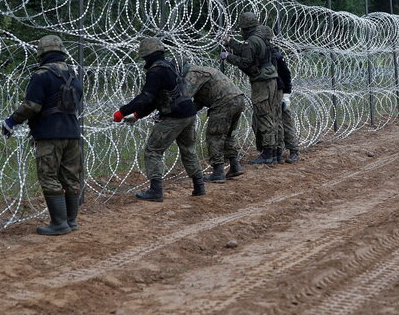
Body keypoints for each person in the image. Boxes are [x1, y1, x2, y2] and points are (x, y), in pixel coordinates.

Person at [1, 35, 83, 236]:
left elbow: (32, 105)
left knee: (48, 176)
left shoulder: (42, 75)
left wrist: (12, 121)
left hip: (49, 134)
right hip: (72, 133)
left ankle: (58, 223)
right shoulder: (73, 75)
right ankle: (71, 221)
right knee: (71, 178)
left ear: (41, 53)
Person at [113, 37, 205, 201]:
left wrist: (122, 111)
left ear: (147, 54)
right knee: (188, 150)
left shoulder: (156, 71)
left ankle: (156, 191)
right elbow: (159, 98)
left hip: (175, 116)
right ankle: (199, 186)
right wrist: (137, 115)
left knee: (153, 150)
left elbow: (146, 97)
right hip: (188, 113)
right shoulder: (168, 66)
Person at [222, 12, 280, 165]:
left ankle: (267, 154)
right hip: (269, 79)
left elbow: (245, 61)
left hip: (262, 82)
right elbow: (244, 49)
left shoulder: (252, 40)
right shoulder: (259, 38)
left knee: (263, 114)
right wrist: (231, 42)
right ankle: (273, 152)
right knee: (270, 114)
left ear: (245, 28)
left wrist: (227, 57)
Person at [182, 64, 246, 182]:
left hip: (224, 103)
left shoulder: (192, 74)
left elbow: (184, 96)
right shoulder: (203, 70)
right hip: (238, 99)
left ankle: (218, 172)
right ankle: (235, 165)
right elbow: (198, 102)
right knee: (228, 135)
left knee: (214, 136)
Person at [271, 46, 300, 164]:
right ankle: (278, 150)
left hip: (282, 93)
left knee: (286, 121)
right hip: (271, 94)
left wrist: (286, 95)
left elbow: (286, 75)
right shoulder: (264, 56)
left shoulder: (277, 57)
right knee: (275, 122)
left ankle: (294, 151)